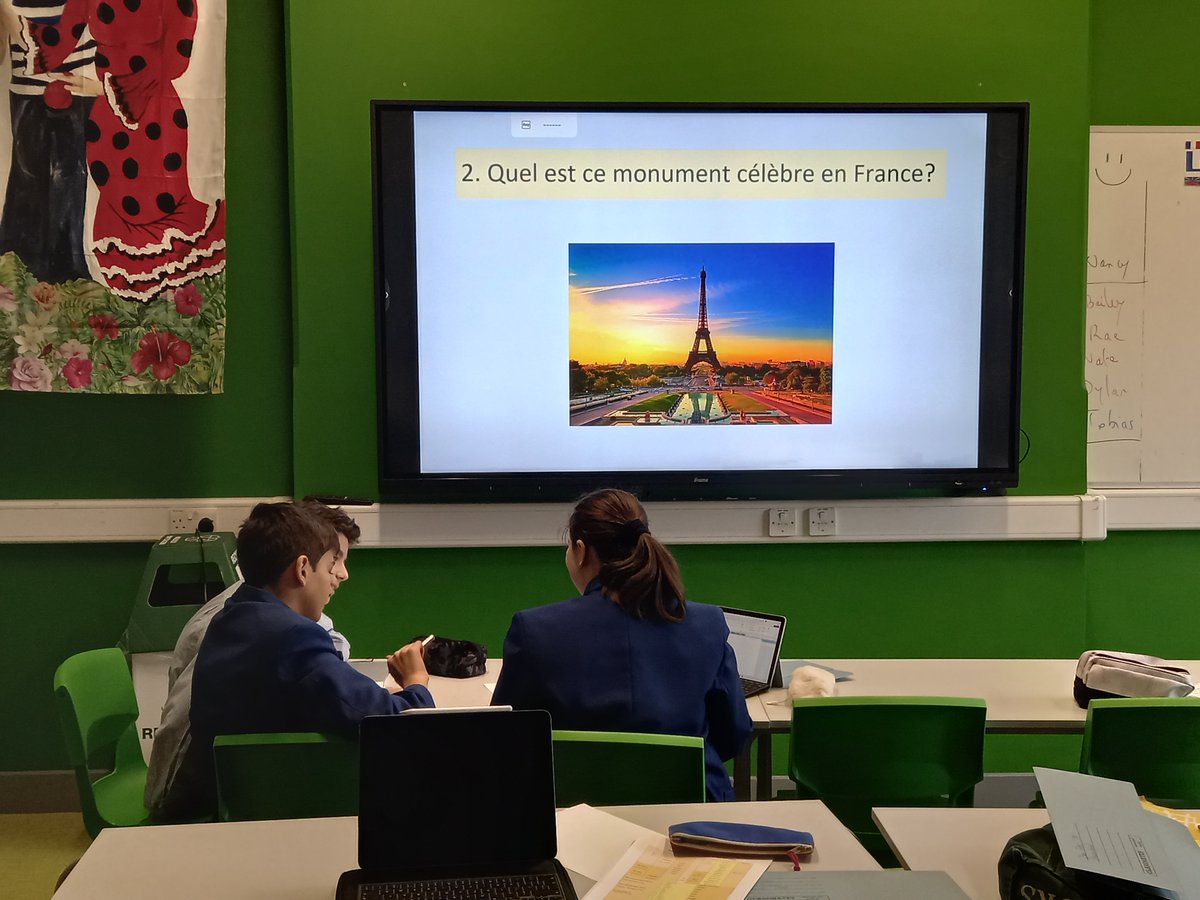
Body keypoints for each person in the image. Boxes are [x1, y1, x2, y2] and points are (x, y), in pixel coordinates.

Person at [150, 501, 433, 822]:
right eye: (331, 565)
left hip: (219, 802)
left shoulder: (233, 616)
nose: (340, 576)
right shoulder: (294, 638)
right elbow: (390, 724)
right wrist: (416, 683)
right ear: (302, 569)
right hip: (262, 812)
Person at [491, 488, 752, 801]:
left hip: (572, 819)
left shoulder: (534, 630)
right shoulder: (707, 624)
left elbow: (507, 741)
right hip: (690, 818)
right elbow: (734, 734)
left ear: (581, 550)